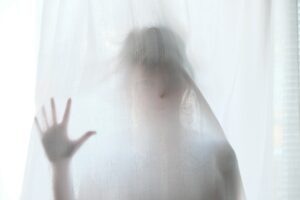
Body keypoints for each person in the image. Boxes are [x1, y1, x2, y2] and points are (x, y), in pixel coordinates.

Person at [34, 26, 246, 200]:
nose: (160, 92)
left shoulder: (217, 157)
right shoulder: (107, 161)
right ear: (128, 91)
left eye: (170, 79)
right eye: (146, 84)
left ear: (186, 85)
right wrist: (60, 167)